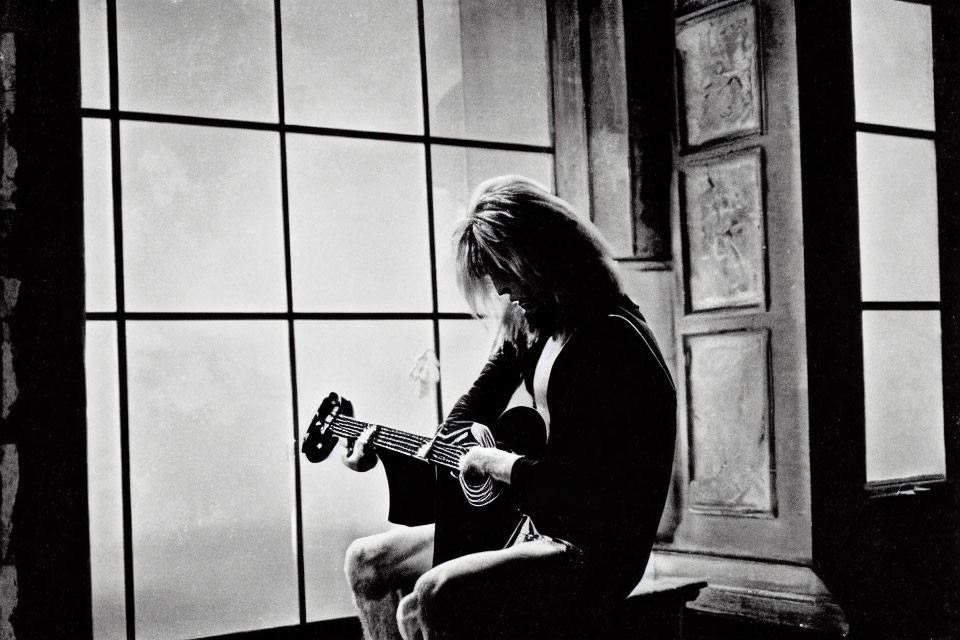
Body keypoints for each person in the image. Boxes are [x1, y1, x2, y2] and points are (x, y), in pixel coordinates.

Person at [341, 176, 677, 639]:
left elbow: (581, 489)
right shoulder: (534, 321)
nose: (498, 289)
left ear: (542, 258)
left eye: (504, 270)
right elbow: (465, 416)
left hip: (593, 546)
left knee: (432, 599)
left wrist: (498, 464)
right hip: (536, 520)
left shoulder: (612, 341)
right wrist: (385, 452)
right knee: (366, 563)